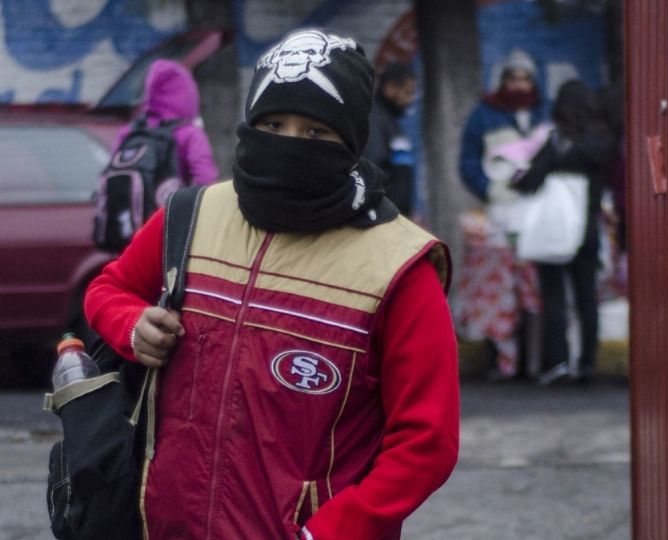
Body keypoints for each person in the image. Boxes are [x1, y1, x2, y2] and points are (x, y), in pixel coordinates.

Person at [85, 28, 460, 540]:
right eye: (273, 123)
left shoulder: (399, 266)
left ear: (350, 141)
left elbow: (427, 440)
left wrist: (331, 532)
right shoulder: (189, 216)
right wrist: (132, 326)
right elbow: (107, 290)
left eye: (314, 132)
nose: (288, 143)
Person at [511, 79, 616, 384]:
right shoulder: (601, 141)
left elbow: (530, 180)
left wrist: (517, 174)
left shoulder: (555, 141)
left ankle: (557, 363)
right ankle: (587, 364)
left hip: (552, 232)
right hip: (587, 231)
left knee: (554, 297)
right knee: (587, 299)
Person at [456, 49, 547, 379]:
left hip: (538, 214)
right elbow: (467, 162)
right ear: (504, 80)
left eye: (525, 78)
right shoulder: (485, 114)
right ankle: (500, 358)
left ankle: (531, 362)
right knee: (498, 288)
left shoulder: (542, 113)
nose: (519, 84)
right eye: (513, 77)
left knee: (532, 287)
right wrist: (488, 189)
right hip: (499, 213)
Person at [114, 58, 219, 197]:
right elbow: (206, 180)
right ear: (186, 95)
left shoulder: (129, 132)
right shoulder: (190, 134)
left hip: (129, 217)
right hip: (168, 215)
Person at [362, 61, 417, 216]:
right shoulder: (375, 120)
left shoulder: (390, 121)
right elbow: (374, 166)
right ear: (390, 88)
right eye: (408, 92)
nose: (410, 99)